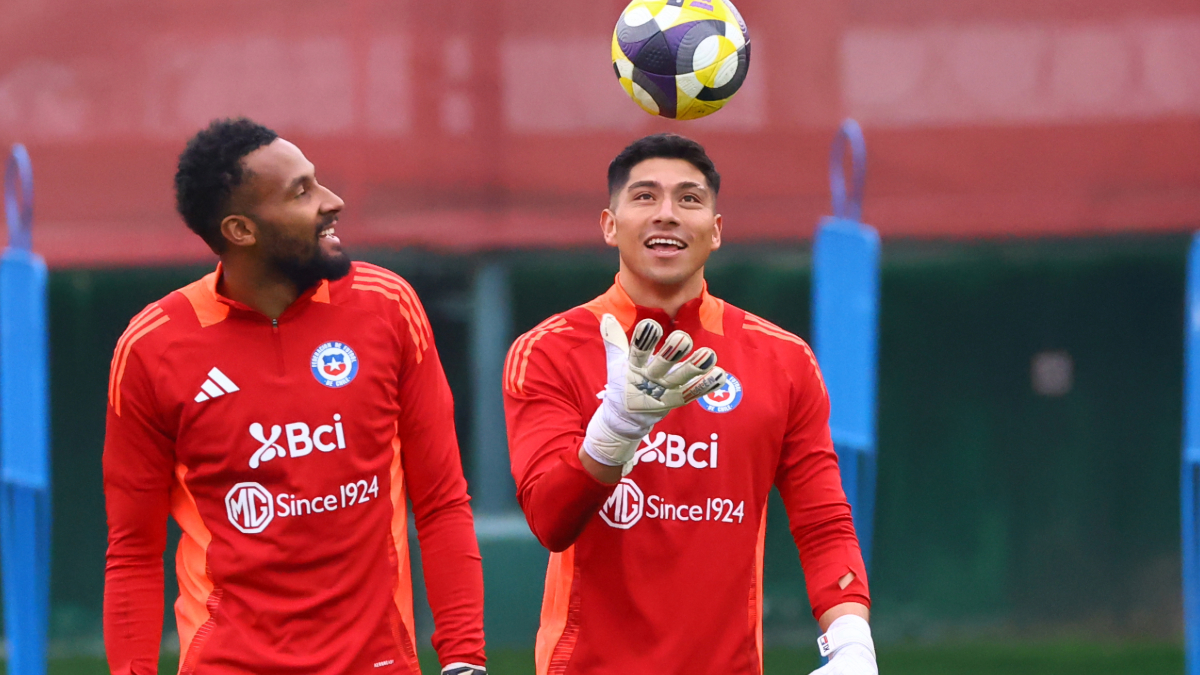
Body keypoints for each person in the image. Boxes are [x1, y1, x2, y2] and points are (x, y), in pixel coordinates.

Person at [103, 118, 487, 675]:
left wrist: (464, 660)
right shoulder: (152, 346)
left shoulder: (387, 306)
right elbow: (133, 552)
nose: (332, 202)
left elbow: (442, 502)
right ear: (241, 230)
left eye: (317, 181)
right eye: (301, 192)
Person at [503, 133, 876, 675]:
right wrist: (615, 430)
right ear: (609, 225)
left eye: (690, 199)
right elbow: (549, 520)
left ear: (716, 232)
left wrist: (850, 642)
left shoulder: (782, 360)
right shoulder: (550, 349)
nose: (667, 215)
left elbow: (824, 524)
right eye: (645, 197)